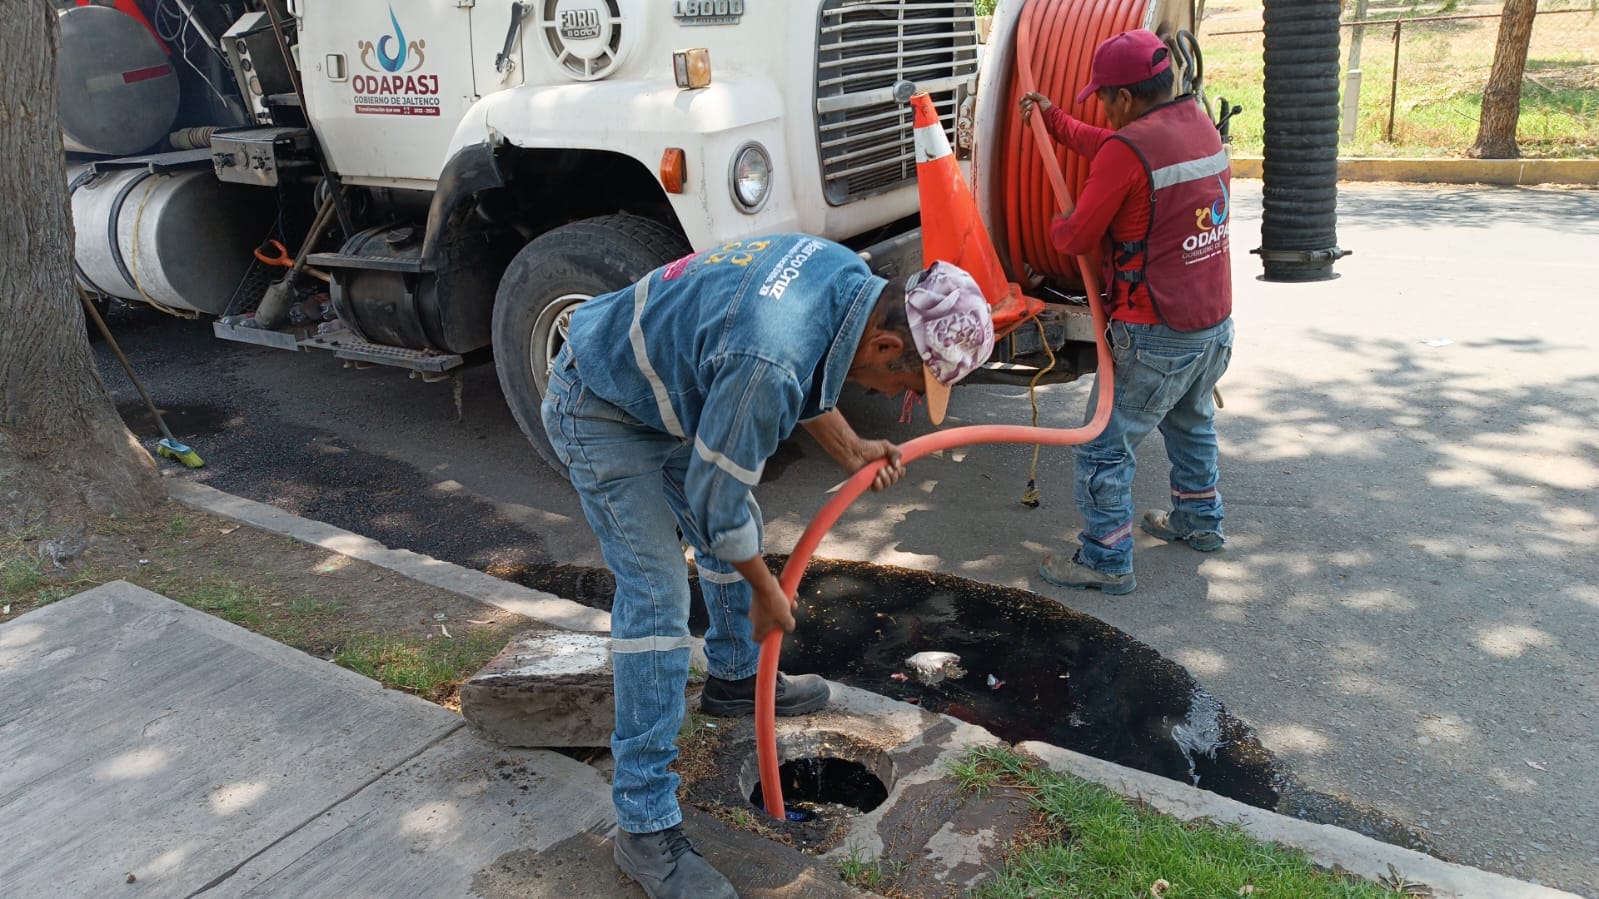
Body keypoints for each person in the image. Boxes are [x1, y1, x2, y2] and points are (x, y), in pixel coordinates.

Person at [540, 235, 994, 899]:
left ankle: (734, 679)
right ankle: (644, 828)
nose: (899, 399)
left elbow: (803, 369)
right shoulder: (771, 357)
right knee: (658, 596)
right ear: (887, 346)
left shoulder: (843, 278)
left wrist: (850, 445)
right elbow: (717, 494)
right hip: (599, 404)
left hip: (662, 394)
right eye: (904, 389)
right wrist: (764, 593)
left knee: (730, 528)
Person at [1020, 28, 1235, 596]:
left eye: (1105, 98)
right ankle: (1199, 522)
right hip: (1213, 325)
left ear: (1124, 98)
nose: (1104, 108)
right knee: (1190, 421)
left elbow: (1075, 235)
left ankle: (1105, 560)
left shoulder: (1129, 150)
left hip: (1155, 331)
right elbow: (1126, 153)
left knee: (1102, 444)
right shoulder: (1196, 123)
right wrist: (1060, 124)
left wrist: (1045, 230)